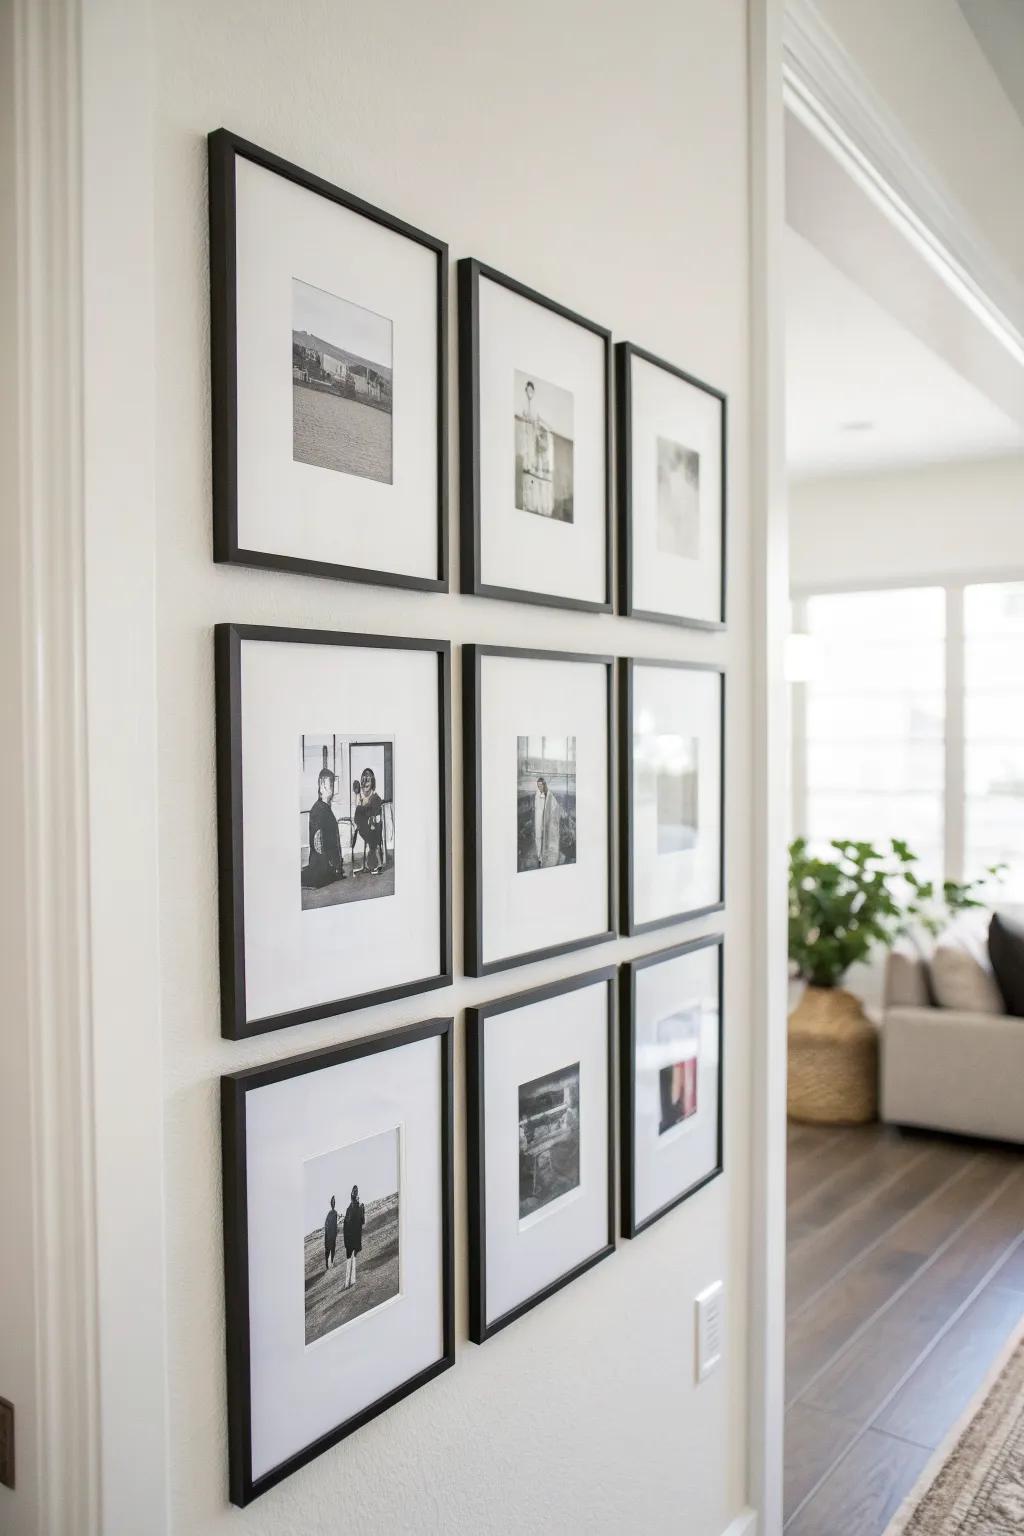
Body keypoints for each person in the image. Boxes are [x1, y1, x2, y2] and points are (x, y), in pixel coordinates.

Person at [303, 768, 345, 887]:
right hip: (323, 872)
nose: (333, 788)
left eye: (333, 783)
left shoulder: (325, 809)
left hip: (330, 870)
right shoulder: (318, 810)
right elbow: (318, 844)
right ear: (322, 785)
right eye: (330, 783)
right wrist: (331, 868)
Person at [353, 767, 384, 876]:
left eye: (368, 780)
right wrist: (357, 795)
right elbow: (358, 814)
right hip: (365, 827)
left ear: (372, 783)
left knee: (363, 816)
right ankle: (372, 864)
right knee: (358, 812)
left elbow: (377, 819)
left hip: (374, 828)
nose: (365, 783)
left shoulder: (376, 798)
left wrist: (372, 822)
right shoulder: (362, 799)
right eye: (363, 780)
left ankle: (376, 864)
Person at [533, 775, 565, 868]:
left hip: (547, 821)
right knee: (539, 837)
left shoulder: (549, 795)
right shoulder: (537, 794)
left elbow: (555, 806)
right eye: (538, 785)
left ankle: (546, 856)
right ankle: (540, 857)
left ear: (544, 785)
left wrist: (549, 818)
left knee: (547, 838)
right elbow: (538, 808)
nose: (539, 787)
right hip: (539, 821)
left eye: (541, 785)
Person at [342, 1184, 365, 1290]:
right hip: (355, 1238)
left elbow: (345, 1226)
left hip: (350, 1238)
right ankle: (352, 1280)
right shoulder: (359, 1208)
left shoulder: (349, 1209)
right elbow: (362, 1221)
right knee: (354, 1258)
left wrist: (346, 1240)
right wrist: (362, 1210)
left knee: (349, 1260)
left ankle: (347, 1283)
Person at [323, 1195, 338, 1272]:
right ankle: (327, 1264)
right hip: (329, 1235)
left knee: (332, 1249)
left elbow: (335, 1225)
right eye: (332, 1202)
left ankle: (331, 1262)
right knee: (328, 1250)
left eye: (334, 1202)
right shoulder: (330, 1213)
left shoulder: (335, 1213)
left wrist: (335, 1232)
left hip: (332, 1235)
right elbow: (326, 1224)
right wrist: (328, 1233)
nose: (333, 1204)